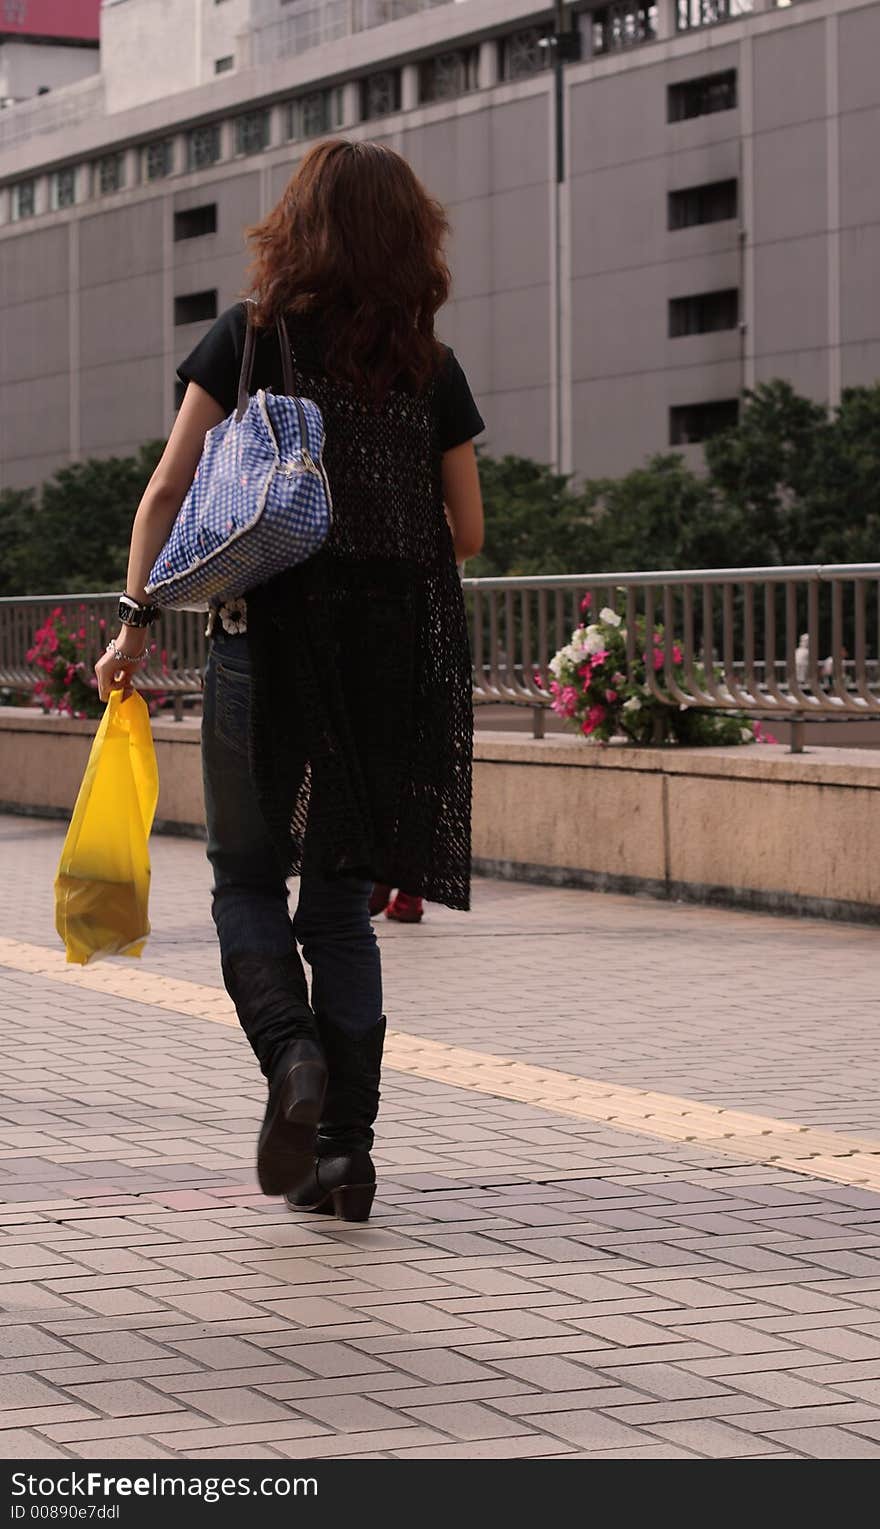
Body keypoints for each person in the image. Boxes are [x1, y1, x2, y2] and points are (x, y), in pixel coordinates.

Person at [95, 139, 485, 1222]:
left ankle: (290, 1059)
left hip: (258, 647)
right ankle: (345, 1160)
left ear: (295, 225)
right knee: (344, 911)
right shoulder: (427, 363)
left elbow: (170, 489)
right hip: (383, 666)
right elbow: (468, 529)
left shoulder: (249, 336)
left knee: (244, 880)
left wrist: (133, 622)